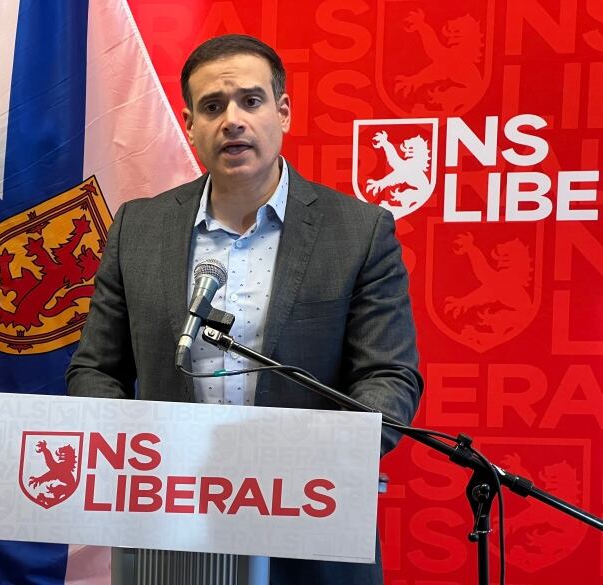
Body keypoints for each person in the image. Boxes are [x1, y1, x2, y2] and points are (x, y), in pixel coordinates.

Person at [67, 34, 423, 585]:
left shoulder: (357, 231)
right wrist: (136, 456)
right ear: (190, 125)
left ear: (282, 113)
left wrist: (305, 463)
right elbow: (95, 369)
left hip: (310, 526)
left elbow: (389, 376)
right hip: (172, 524)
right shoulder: (138, 228)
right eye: (212, 107)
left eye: (250, 102)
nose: (232, 120)